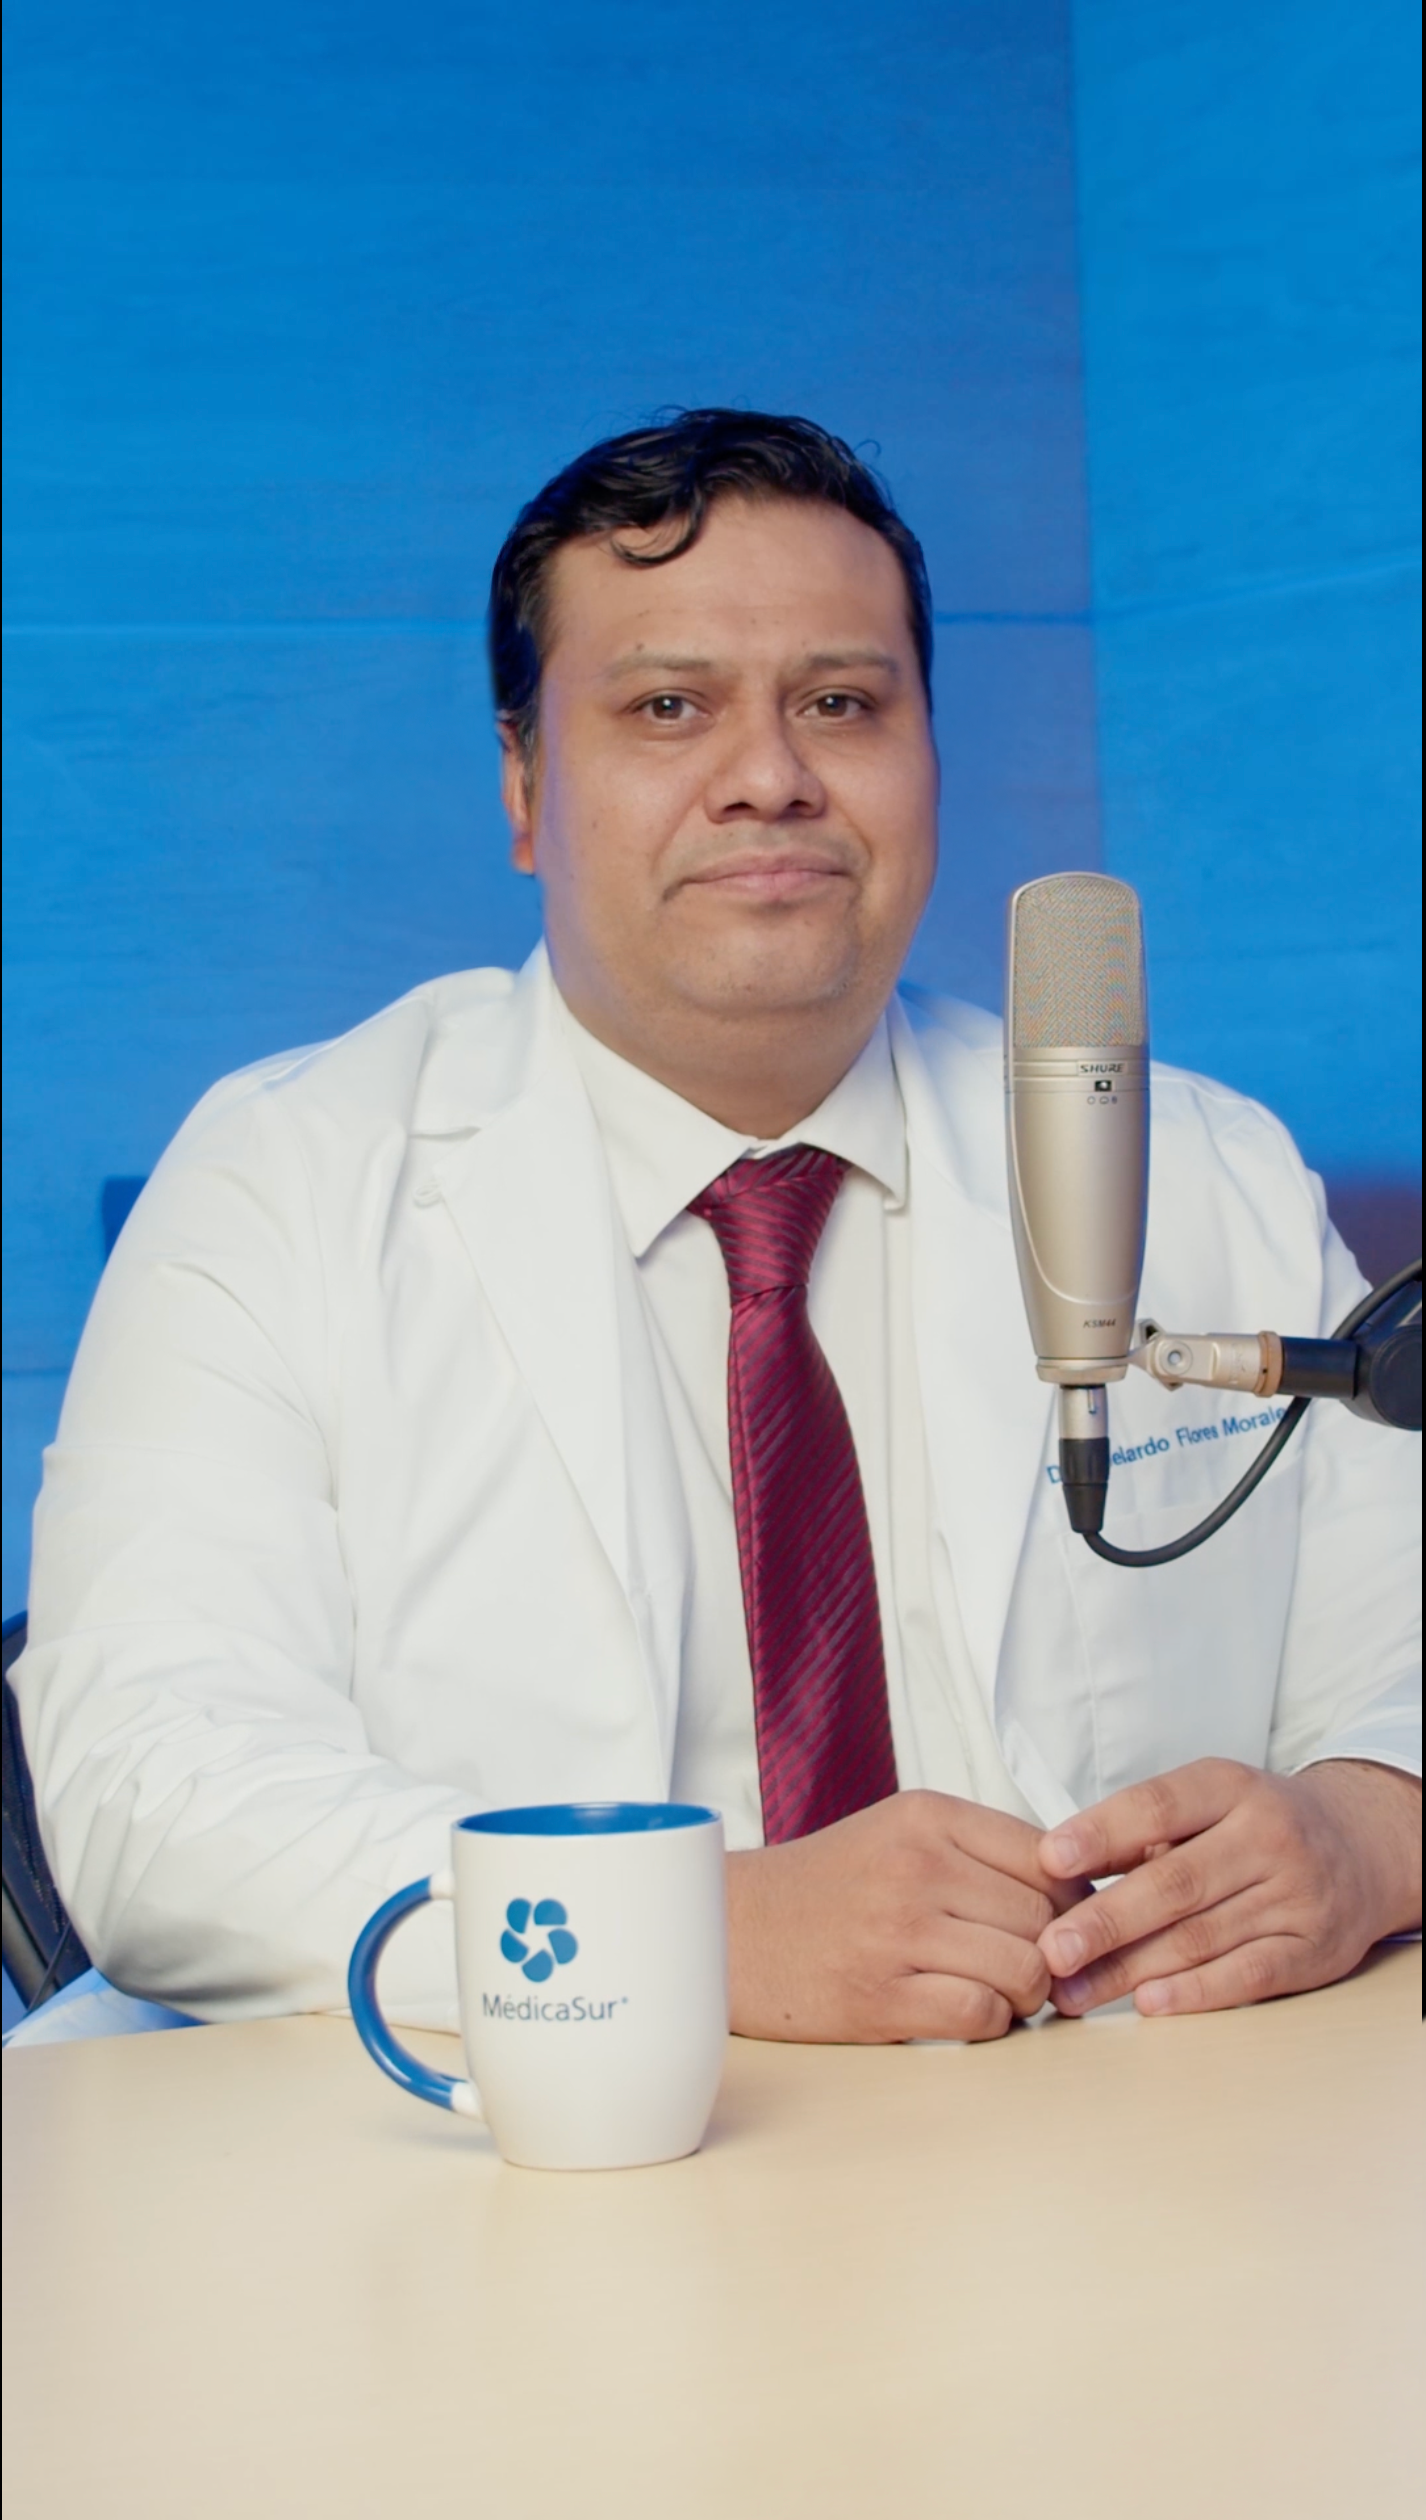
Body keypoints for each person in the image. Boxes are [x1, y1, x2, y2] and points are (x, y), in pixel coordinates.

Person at [15, 410, 1420, 2047]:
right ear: (524, 786)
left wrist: (1364, 1830)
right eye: (667, 708)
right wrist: (685, 1930)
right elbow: (148, 1795)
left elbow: (1396, 1654)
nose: (769, 778)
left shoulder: (1201, 1165)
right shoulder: (287, 1180)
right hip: (545, 2152)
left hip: (1134, 2129)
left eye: (841, 704)